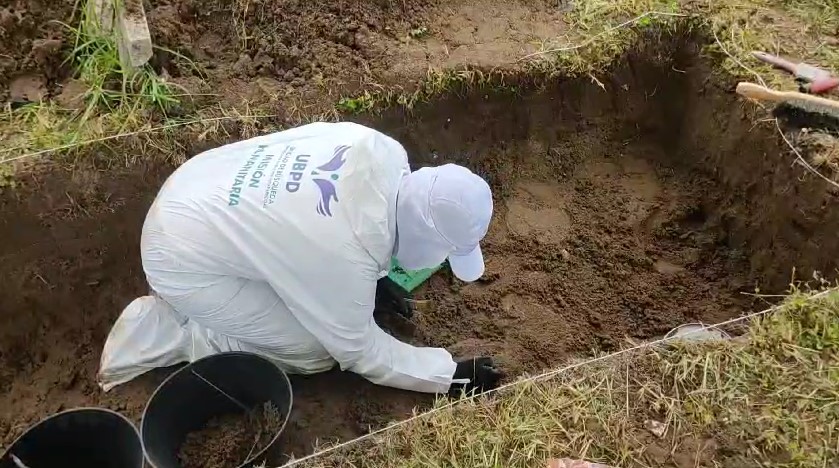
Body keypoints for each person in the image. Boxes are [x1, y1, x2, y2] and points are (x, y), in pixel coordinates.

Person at [98, 121, 502, 396]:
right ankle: (184, 330)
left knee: (293, 264)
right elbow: (361, 352)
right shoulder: (342, 254)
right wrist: (449, 376)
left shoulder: (381, 149)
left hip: (197, 184)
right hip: (179, 256)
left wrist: (376, 282)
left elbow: (315, 227)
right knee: (315, 348)